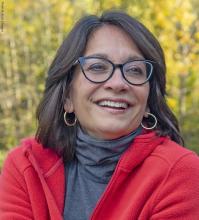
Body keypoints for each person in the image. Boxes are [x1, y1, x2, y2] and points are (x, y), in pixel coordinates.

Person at [0, 10, 199, 220]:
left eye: (134, 70)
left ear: (149, 100)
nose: (118, 83)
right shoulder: (26, 167)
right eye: (97, 67)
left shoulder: (181, 172)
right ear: (67, 97)